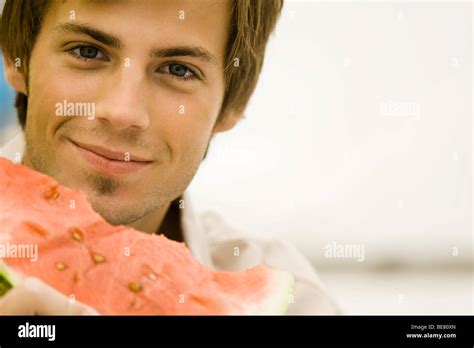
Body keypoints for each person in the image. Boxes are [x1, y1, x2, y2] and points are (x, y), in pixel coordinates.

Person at [0, 0, 339, 314]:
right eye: (88, 51)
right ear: (16, 58)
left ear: (233, 105)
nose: (122, 112)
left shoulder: (298, 303)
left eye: (178, 70)